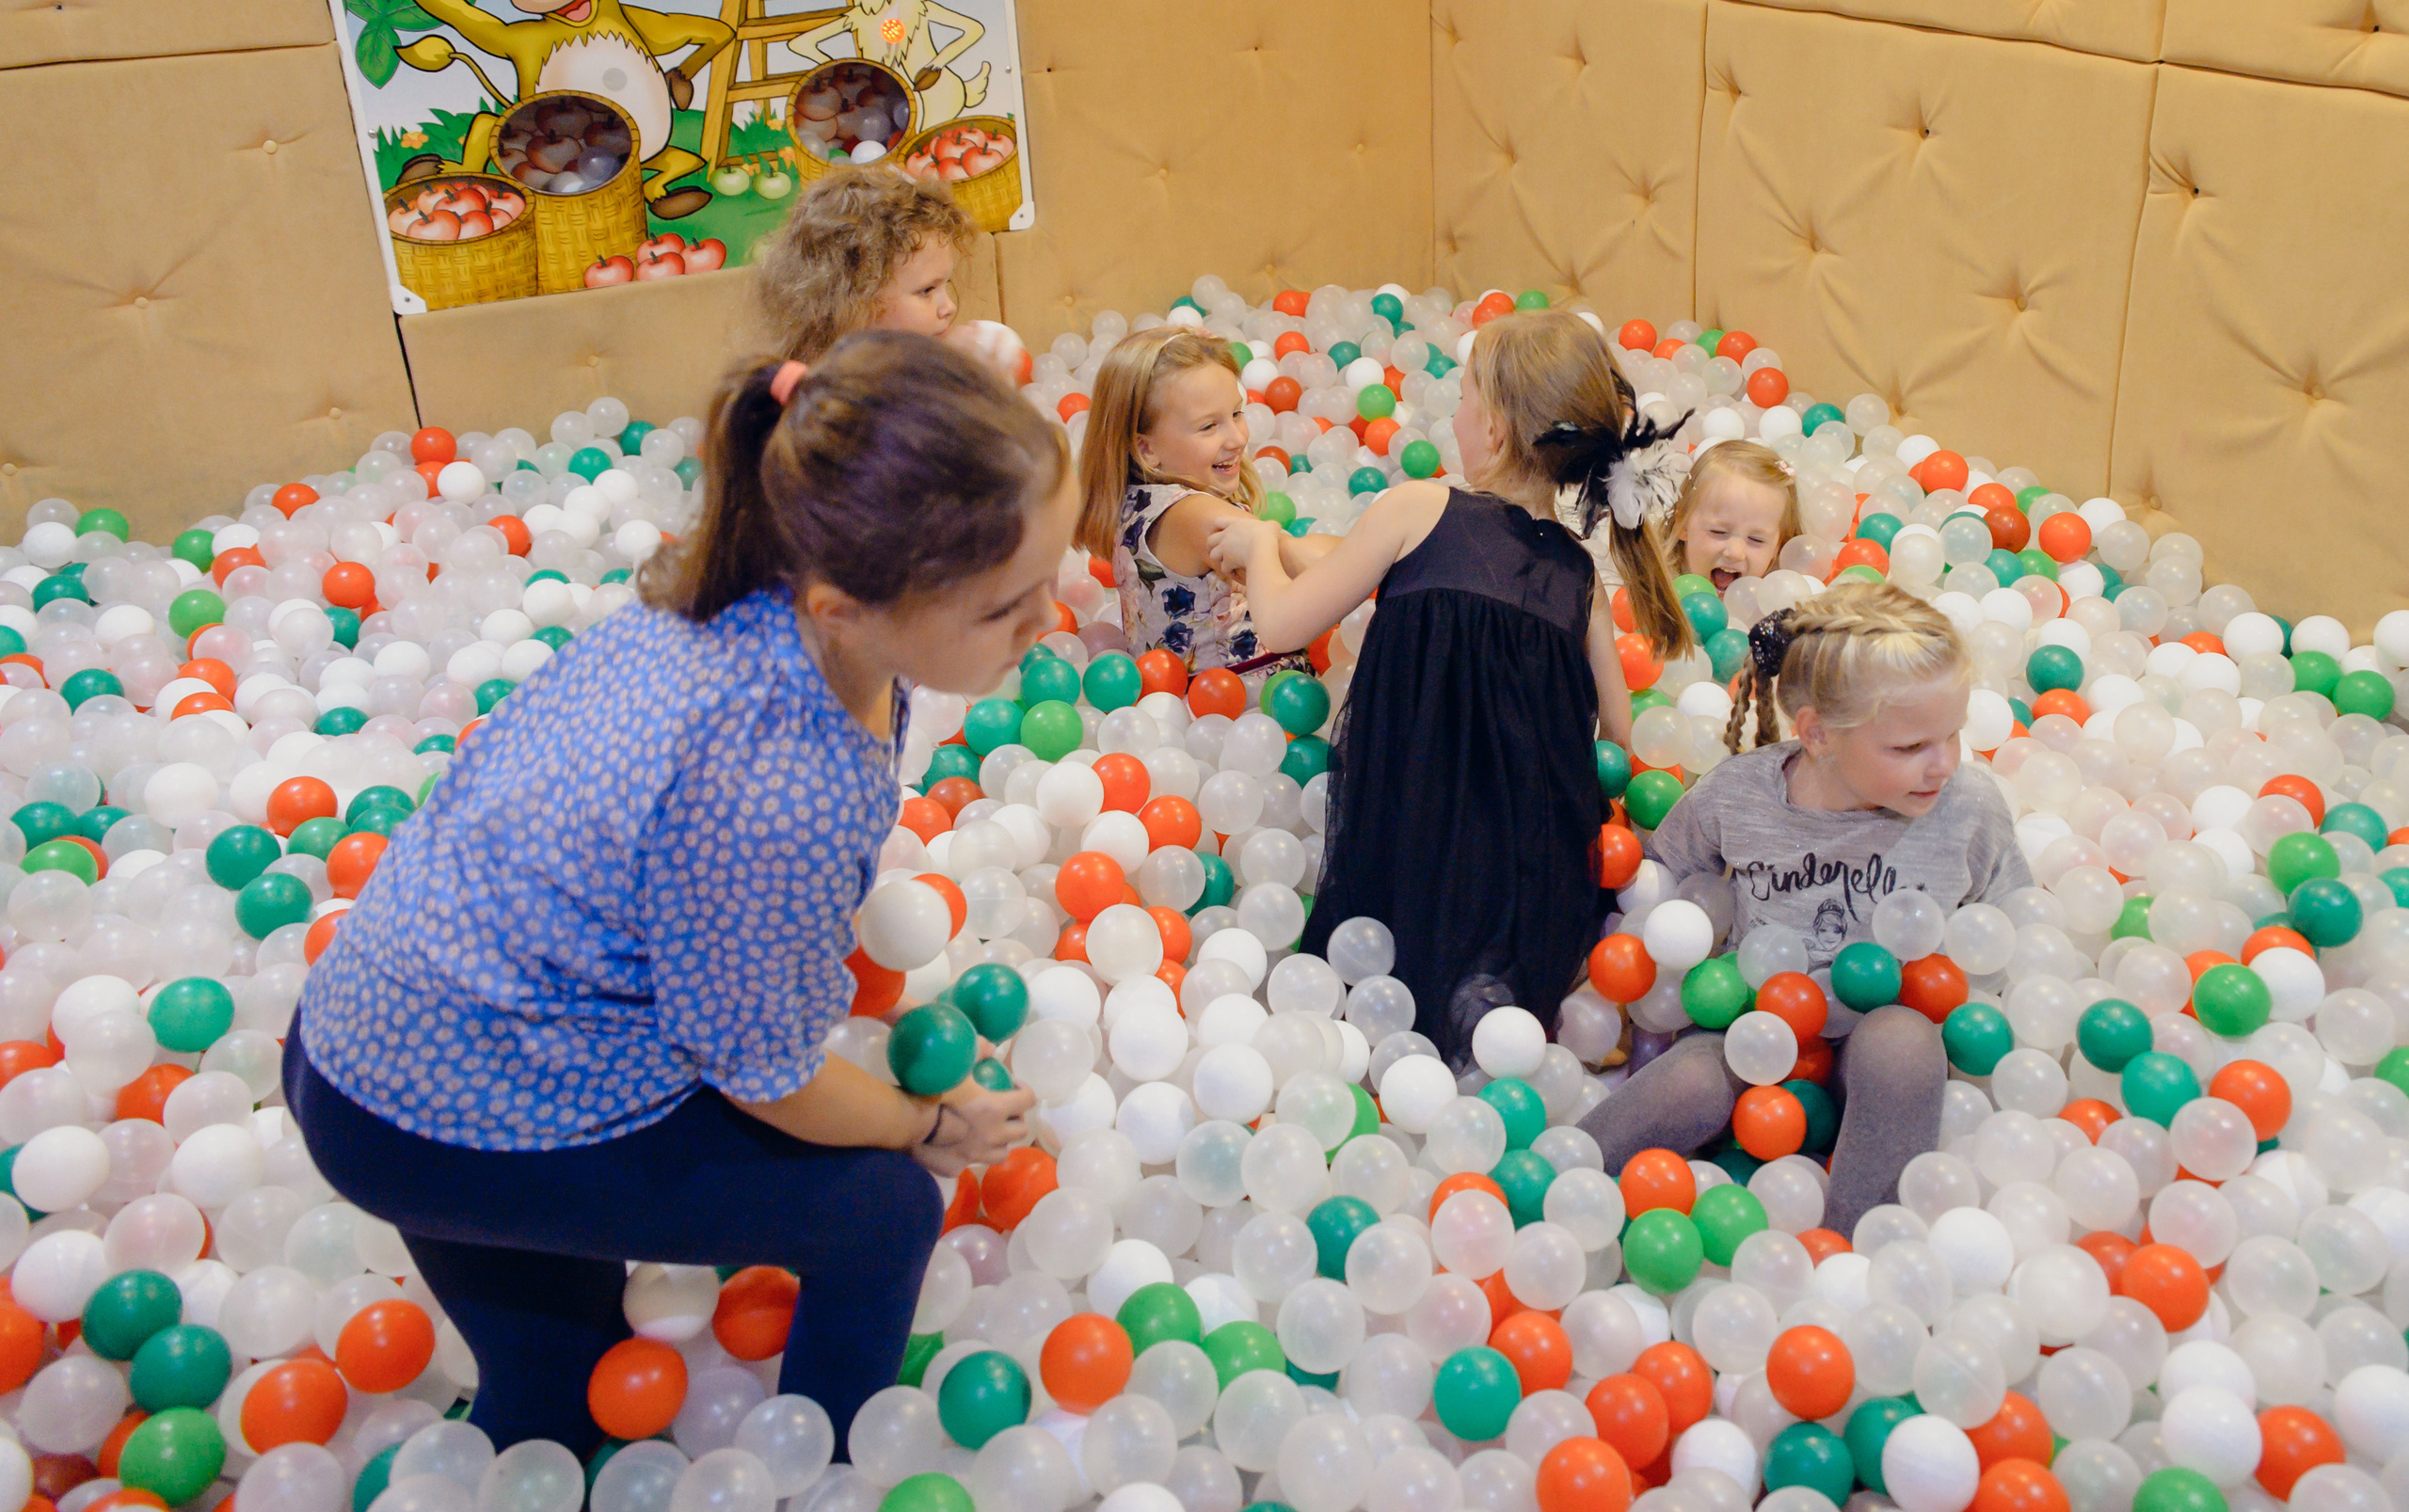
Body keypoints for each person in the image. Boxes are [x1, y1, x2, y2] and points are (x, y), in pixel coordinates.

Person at [287, 333, 1063, 1453]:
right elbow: (765, 1077)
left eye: (1047, 582)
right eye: (1004, 609)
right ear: (845, 603)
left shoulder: (733, 597)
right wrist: (924, 1122)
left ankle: (538, 1407)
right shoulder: (776, 778)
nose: (1043, 630)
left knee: (564, 1392)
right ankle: (827, 1465)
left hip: (360, 1052)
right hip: (442, 1113)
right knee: (883, 1213)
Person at [1206, 310, 1689, 1062]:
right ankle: (1490, 997)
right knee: (1483, 1006)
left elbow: (1283, 625)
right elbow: (1618, 744)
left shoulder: (1417, 505)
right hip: (1528, 874)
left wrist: (1261, 542)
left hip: (1407, 837)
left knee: (1375, 988)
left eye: (1464, 400)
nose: (1456, 416)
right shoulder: (1579, 576)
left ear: (1493, 429)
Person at [1577, 581, 2033, 1236]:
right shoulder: (1742, 796)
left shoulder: (1968, 808)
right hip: (1751, 1023)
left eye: (1952, 735)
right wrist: (1619, 990)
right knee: (1690, 1086)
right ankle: (1553, 1189)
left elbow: (2010, 920)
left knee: (1902, 1047)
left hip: (1878, 1026)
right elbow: (1663, 875)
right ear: (1818, 733)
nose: (1942, 765)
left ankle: (1862, 1252)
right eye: (1909, 748)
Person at [1074, 326, 1335, 676]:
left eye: (1237, 414)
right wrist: (1384, 546)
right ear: (1147, 449)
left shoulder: (1138, 501)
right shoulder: (1194, 515)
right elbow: (1305, 568)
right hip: (1250, 707)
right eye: (1209, 426)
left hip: (1190, 708)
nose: (1237, 438)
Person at [756, 164, 980, 362]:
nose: (949, 307)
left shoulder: (919, 371)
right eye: (927, 290)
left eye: (945, 284)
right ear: (854, 303)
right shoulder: (842, 401)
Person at [1667, 438, 1799, 594]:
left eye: (1756, 539)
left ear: (1777, 548)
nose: (1735, 553)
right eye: (1719, 532)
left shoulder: (1779, 598)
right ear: (1682, 525)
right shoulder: (1654, 590)